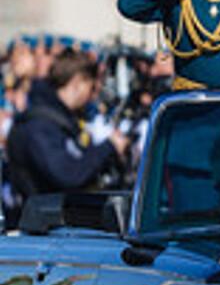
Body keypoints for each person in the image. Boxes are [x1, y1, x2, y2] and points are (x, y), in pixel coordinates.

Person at [5, 48, 129, 223]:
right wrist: (108, 147)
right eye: (92, 87)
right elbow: (68, 174)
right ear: (77, 82)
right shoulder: (40, 126)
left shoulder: (62, 120)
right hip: (39, 232)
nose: (94, 96)